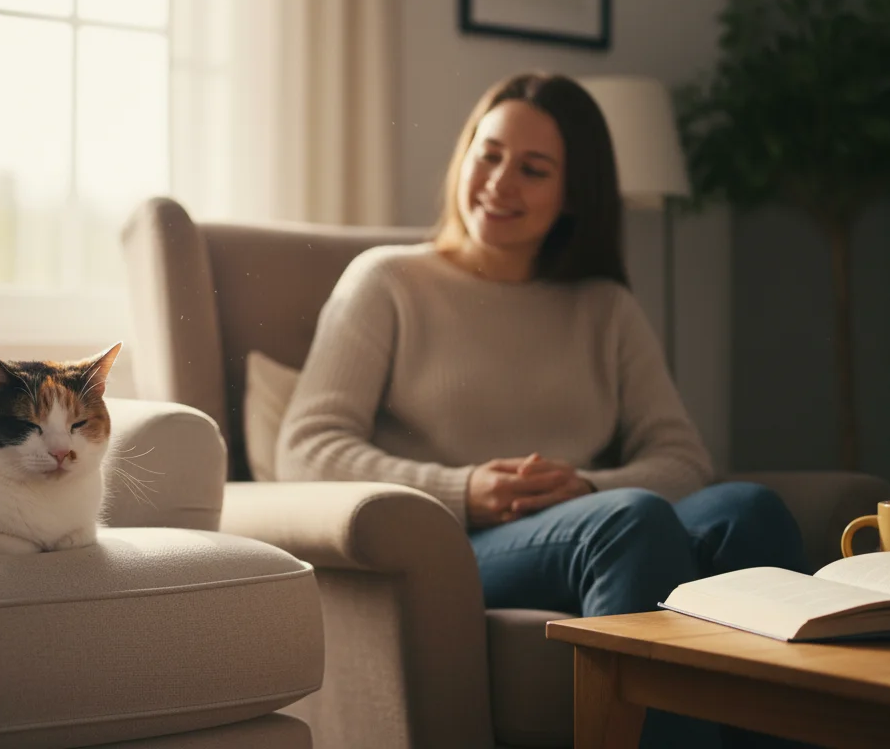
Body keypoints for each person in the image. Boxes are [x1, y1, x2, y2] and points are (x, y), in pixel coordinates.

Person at [275, 72, 808, 749]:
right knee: (630, 521)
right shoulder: (388, 281)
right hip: (455, 543)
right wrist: (464, 489)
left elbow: (683, 460)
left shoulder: (605, 307)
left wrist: (588, 486)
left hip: (593, 523)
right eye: (489, 154)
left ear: (572, 193)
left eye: (533, 169)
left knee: (749, 511)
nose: (499, 183)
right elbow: (307, 446)